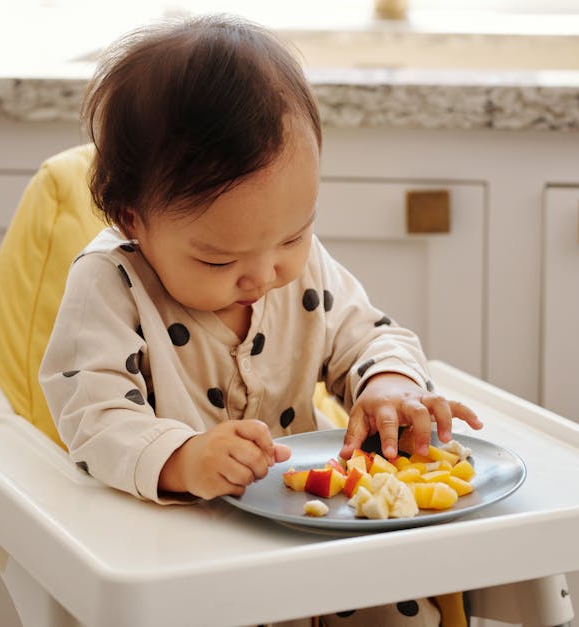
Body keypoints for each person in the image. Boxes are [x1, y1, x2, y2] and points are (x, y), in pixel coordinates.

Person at [39, 14, 482, 625]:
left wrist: (389, 385)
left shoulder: (298, 266)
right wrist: (183, 458)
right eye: (219, 258)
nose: (264, 275)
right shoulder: (109, 284)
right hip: (187, 552)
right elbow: (92, 414)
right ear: (132, 220)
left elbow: (365, 335)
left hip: (314, 531)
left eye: (293, 236)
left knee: (401, 603)